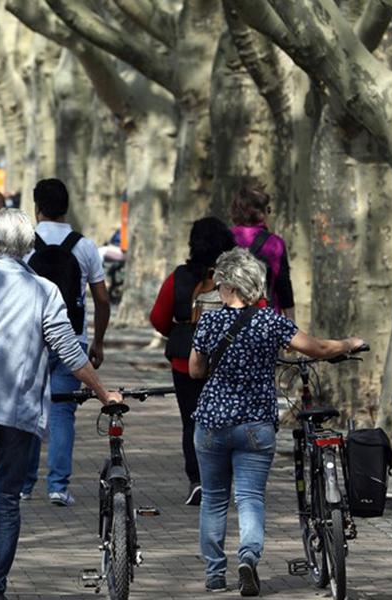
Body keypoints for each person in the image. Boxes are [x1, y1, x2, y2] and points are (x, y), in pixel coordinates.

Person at [0, 208, 122, 599]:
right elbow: (69, 350)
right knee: (5, 499)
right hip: (20, 408)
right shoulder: (44, 290)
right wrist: (103, 392)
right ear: (29, 248)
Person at [188, 248, 364, 594]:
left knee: (213, 498)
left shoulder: (209, 322)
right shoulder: (271, 322)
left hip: (211, 423)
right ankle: (248, 559)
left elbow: (195, 370)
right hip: (256, 424)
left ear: (226, 287)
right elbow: (314, 348)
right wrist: (348, 343)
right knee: (250, 497)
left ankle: (214, 574)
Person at [21, 178, 110, 506]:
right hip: (71, 339)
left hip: (31, 338)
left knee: (29, 410)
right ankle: (58, 486)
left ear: (37, 206)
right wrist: (97, 342)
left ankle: (24, 484)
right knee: (62, 414)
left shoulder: (26, 244)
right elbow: (101, 299)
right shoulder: (84, 246)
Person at [148, 217, 237, 506]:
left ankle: (197, 480)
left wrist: (180, 330)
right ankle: (223, 478)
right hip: (227, 360)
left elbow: (159, 318)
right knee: (226, 420)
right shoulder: (235, 279)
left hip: (184, 361)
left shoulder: (179, 276)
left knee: (192, 421)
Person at [230, 188, 295, 316]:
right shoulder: (275, 243)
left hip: (229, 319)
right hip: (266, 318)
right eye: (268, 210)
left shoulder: (223, 238)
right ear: (261, 214)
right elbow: (284, 288)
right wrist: (291, 324)